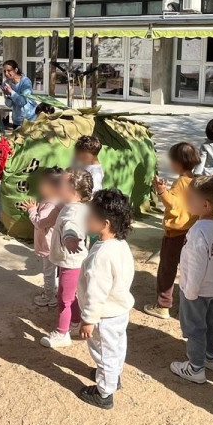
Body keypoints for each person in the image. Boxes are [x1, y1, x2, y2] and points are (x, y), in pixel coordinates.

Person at [76, 189, 136, 410]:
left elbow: (96, 290)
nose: (85, 218)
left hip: (104, 315)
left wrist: (89, 319)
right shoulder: (119, 244)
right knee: (115, 347)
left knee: (103, 351)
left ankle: (104, 393)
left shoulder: (102, 255)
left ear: (105, 223)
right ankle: (111, 376)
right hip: (118, 310)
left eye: (90, 215)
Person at [169, 177, 213, 383]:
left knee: (195, 328)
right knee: (212, 323)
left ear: (205, 205)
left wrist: (190, 292)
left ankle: (195, 368)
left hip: (196, 290)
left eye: (191, 198)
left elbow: (196, 266)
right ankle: (211, 357)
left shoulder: (198, 232)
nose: (187, 201)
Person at [146, 142, 200, 320]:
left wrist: (161, 191)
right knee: (189, 269)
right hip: (191, 233)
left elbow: (173, 204)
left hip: (175, 234)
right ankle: (191, 302)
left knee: (167, 269)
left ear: (177, 163)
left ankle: (163, 305)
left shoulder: (180, 183)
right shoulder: (197, 181)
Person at [42, 168, 92, 348]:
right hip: (71, 261)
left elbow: (71, 227)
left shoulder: (72, 212)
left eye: (61, 183)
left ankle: (62, 333)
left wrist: (68, 238)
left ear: (73, 190)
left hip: (71, 262)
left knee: (64, 298)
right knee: (73, 295)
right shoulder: (75, 207)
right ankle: (75, 322)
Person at [19, 167, 64, 308]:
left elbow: (39, 223)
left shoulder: (52, 206)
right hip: (54, 244)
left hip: (49, 245)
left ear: (51, 187)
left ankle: (49, 296)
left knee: (49, 272)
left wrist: (32, 210)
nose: (39, 187)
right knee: (55, 270)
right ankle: (54, 290)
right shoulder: (57, 201)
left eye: (42, 184)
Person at [2, 60, 36, 130]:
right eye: (4, 71)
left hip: (29, 119)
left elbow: (23, 101)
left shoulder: (25, 82)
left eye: (9, 70)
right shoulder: (6, 83)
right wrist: (6, 94)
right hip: (17, 120)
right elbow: (9, 104)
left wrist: (11, 91)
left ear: (16, 70)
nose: (6, 73)